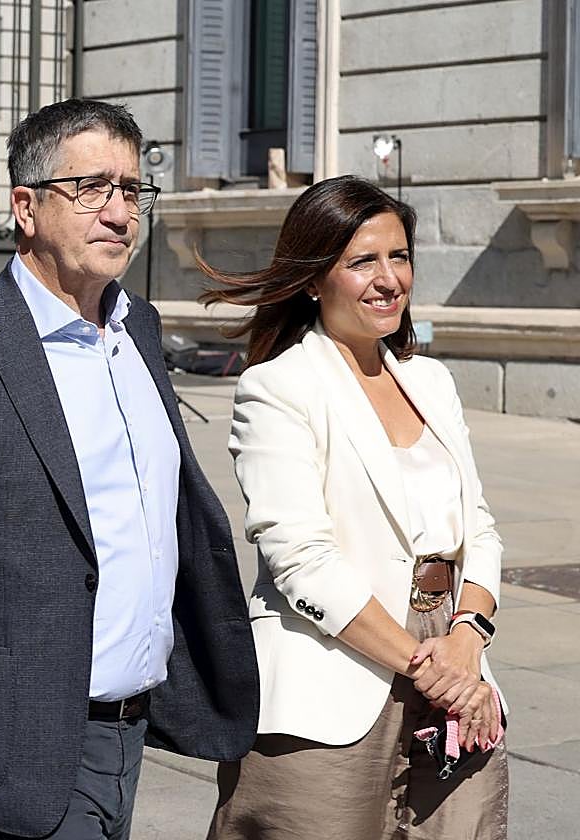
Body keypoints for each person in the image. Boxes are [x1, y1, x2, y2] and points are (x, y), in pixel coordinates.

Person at [0, 98, 258, 840]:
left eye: (132, 191)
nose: (120, 213)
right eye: (92, 188)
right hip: (16, 742)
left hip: (135, 727)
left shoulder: (140, 329)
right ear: (26, 208)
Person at [200, 175, 507, 838]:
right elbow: (301, 561)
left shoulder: (431, 380)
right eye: (362, 261)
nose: (388, 279)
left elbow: (477, 528)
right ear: (314, 280)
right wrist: (432, 668)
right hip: (336, 671)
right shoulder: (279, 388)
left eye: (398, 257)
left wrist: (465, 640)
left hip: (452, 654)